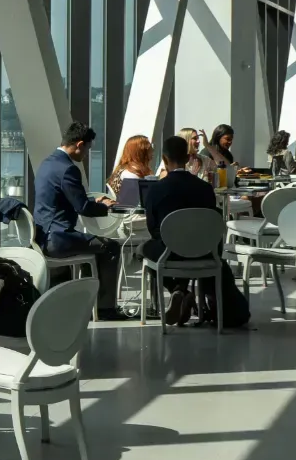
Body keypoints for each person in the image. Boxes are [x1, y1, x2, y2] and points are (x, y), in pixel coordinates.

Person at [33, 121, 122, 316]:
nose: (86, 155)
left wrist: (91, 199)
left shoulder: (47, 163)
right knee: (111, 247)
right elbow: (83, 208)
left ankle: (87, 301)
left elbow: (63, 198)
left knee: (92, 246)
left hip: (42, 237)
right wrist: (104, 207)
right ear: (80, 144)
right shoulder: (68, 169)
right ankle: (104, 308)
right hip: (59, 239)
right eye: (87, 149)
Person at [138, 135, 217, 323]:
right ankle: (182, 291)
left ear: (164, 160)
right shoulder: (205, 188)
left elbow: (152, 228)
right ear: (188, 158)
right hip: (203, 252)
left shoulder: (156, 190)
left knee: (143, 249)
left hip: (170, 252)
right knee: (187, 246)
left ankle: (176, 289)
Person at [109, 134, 155, 199]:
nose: (153, 151)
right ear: (141, 153)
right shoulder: (130, 174)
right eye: (149, 149)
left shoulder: (124, 169)